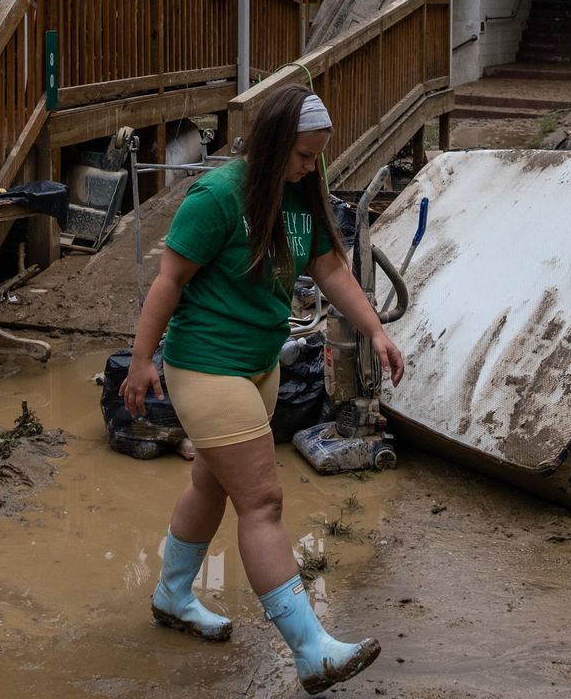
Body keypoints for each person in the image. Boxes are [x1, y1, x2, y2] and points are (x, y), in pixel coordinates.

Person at [121, 85, 405, 696]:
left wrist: (375, 330)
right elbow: (169, 278)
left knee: (212, 482)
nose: (310, 167)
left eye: (316, 158)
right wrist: (142, 361)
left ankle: (172, 597)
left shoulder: (302, 197)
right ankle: (311, 650)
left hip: (258, 365)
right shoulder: (218, 197)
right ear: (274, 143)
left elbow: (328, 268)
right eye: (303, 156)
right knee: (263, 501)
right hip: (206, 366)